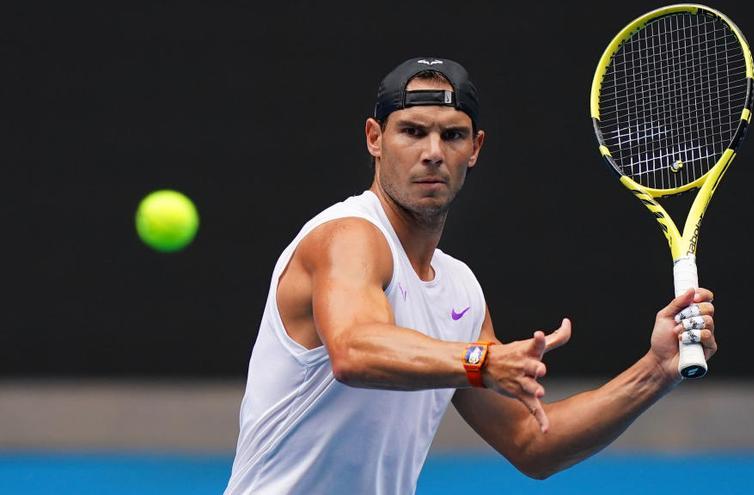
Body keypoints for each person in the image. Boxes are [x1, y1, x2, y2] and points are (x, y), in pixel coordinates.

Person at [224, 57, 717, 494]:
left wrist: (655, 371)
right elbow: (353, 349)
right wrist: (480, 361)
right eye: (413, 131)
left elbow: (532, 444)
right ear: (375, 138)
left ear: (475, 148)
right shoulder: (348, 236)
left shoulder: (460, 290)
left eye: (452, 134)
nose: (433, 151)